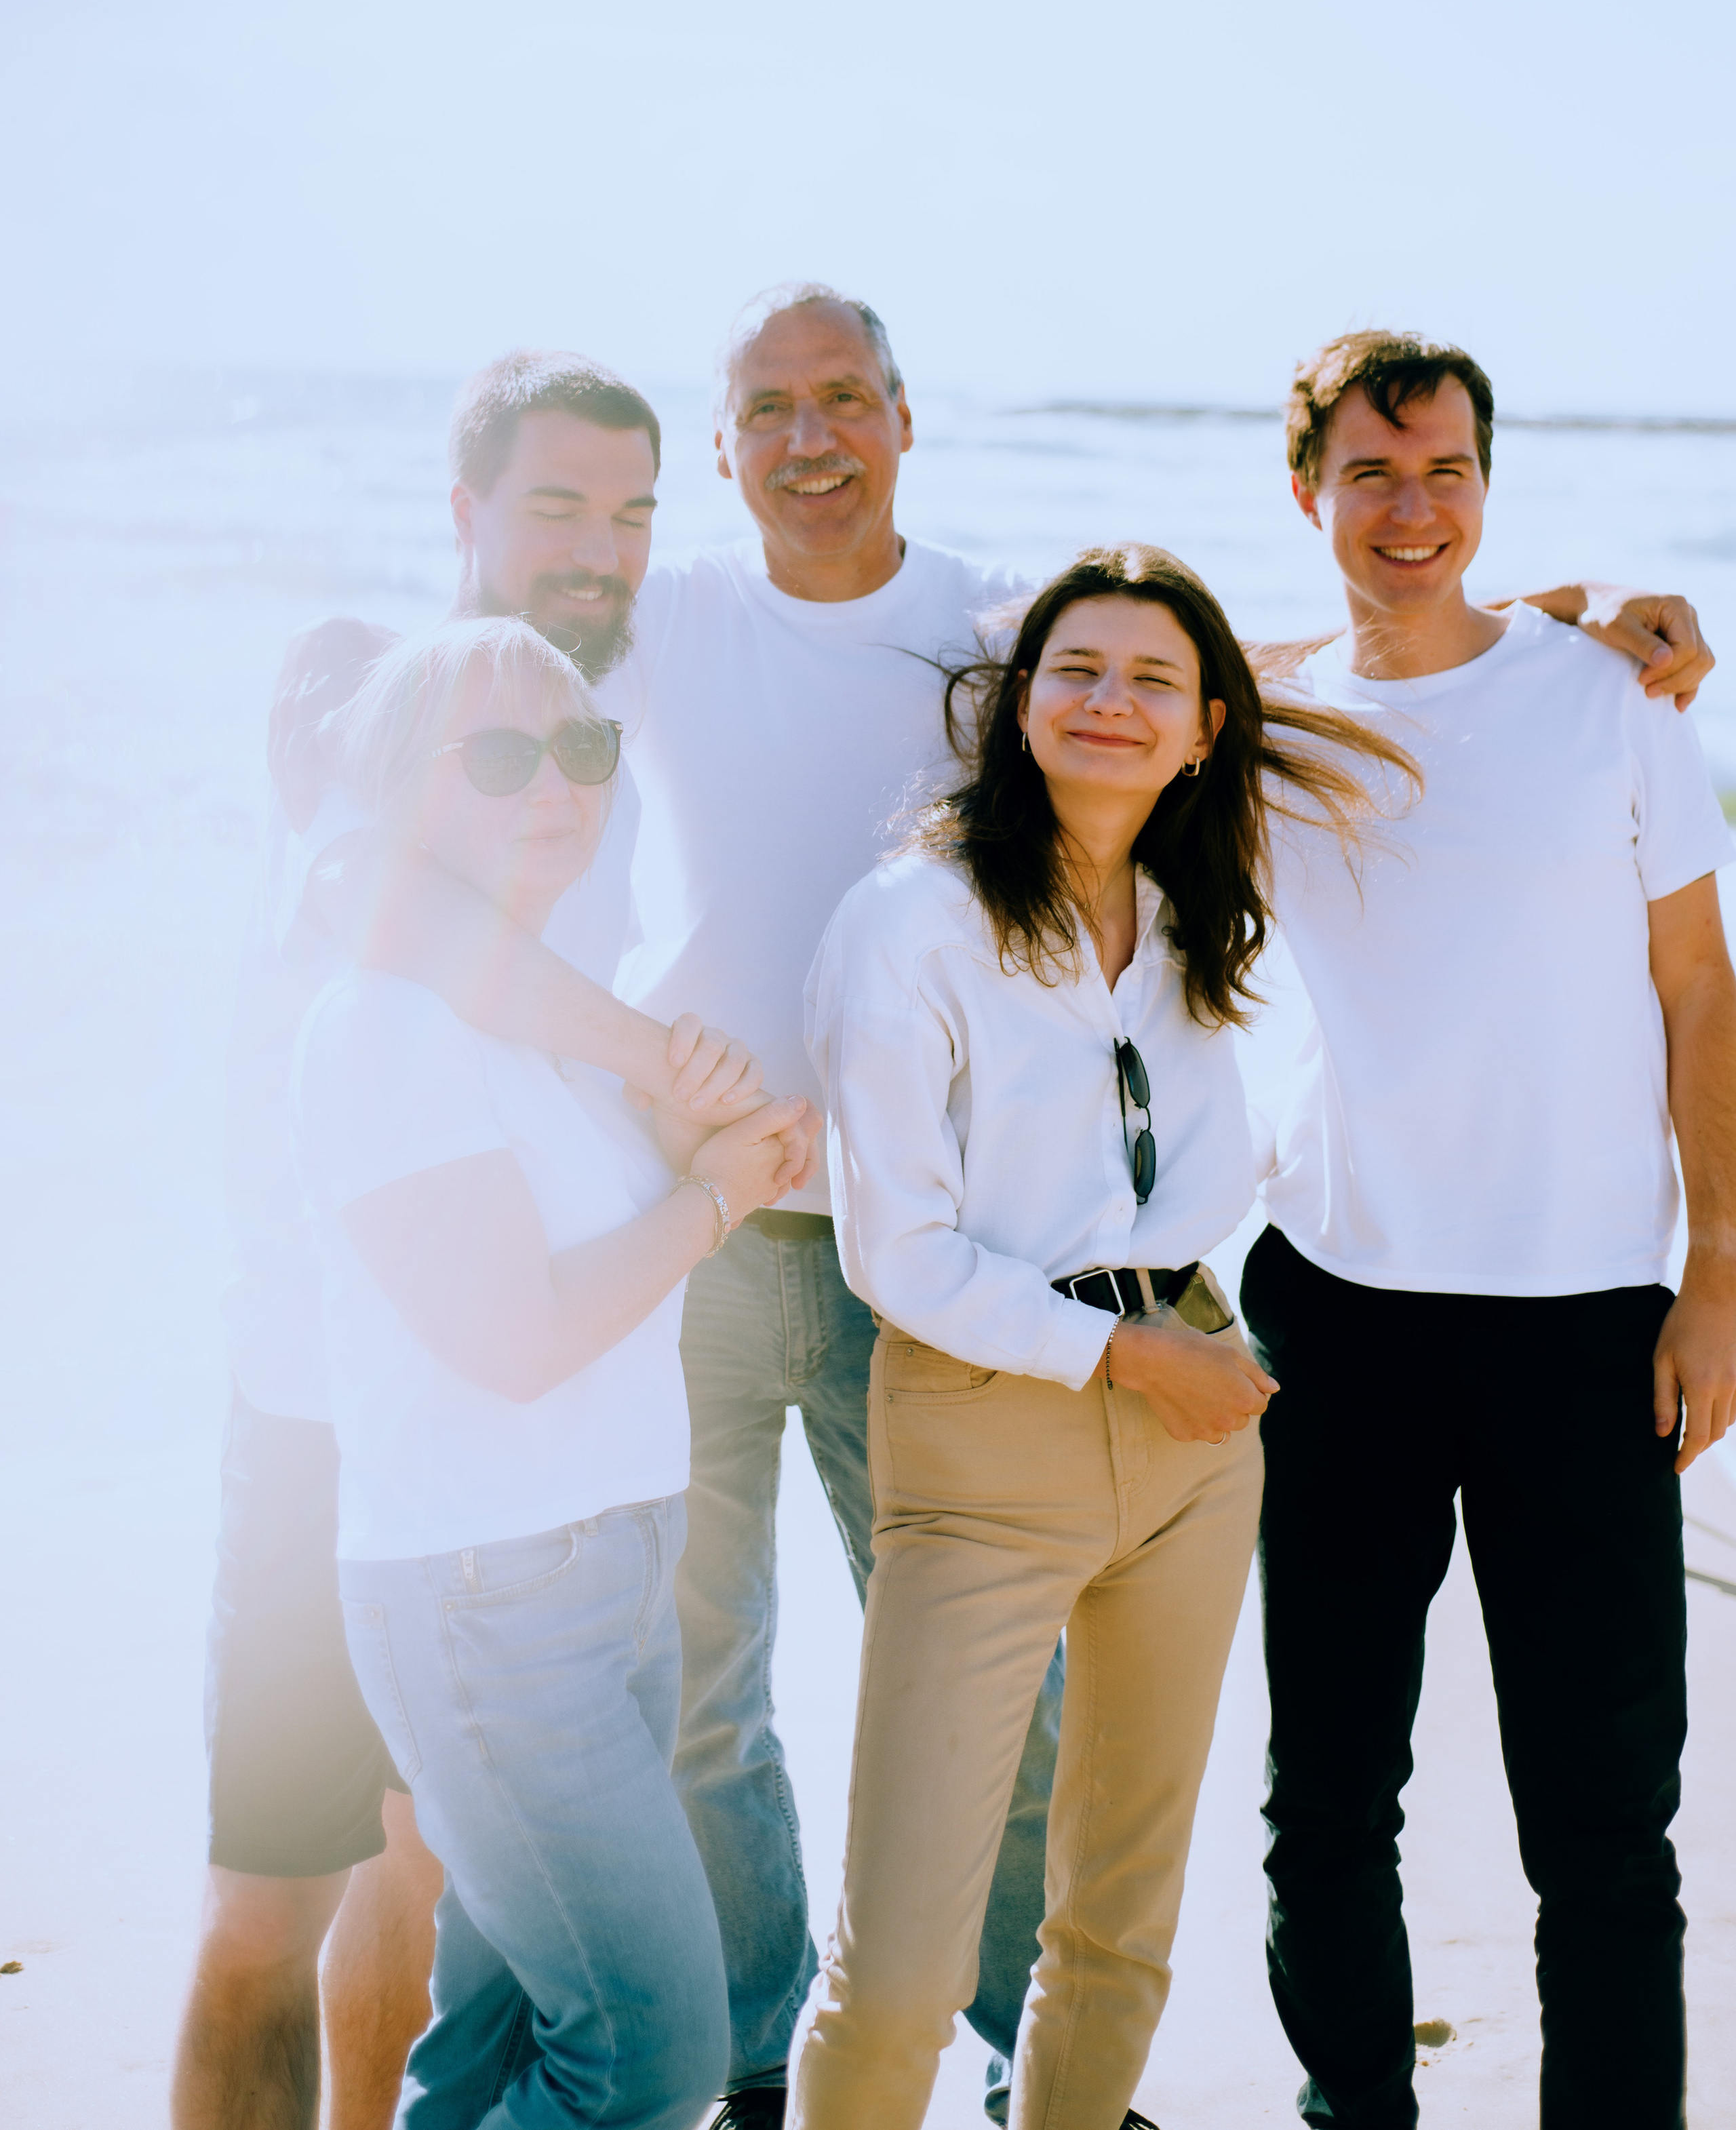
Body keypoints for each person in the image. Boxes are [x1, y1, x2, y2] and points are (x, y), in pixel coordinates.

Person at [334, 288, 1715, 2127]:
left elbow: (1209, 690)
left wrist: (1528, 627)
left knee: (1467, 1808)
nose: (813, 439)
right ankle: (780, 2065)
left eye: (847, 400)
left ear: (906, 419)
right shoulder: (661, 628)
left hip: (1236, 1300)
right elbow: (441, 771)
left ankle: (1033, 2066)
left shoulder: (1008, 636)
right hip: (825, 1251)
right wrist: (658, 1069)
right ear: (726, 445)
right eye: (770, 409)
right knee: (736, 1696)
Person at [176, 354, 768, 2130]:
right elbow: (406, 923)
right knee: (272, 1897)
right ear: (469, 512)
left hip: (506, 1469)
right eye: (558, 505)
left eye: (636, 511)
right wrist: (667, 1071)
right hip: (316, 1408)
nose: (600, 547)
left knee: (445, 1900)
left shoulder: (594, 735)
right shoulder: (357, 686)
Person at [789, 546, 1403, 2129]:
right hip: (989, 1427)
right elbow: (898, 1255)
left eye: (1151, 680)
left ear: (1206, 727)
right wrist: (1136, 1360)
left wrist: (1564, 621)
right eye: (1075, 671)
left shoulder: (1199, 908)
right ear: (1016, 707)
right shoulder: (908, 923)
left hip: (1195, 1435)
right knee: (904, 1963)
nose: (1108, 703)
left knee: (1117, 1931)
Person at [1242, 331, 1736, 2130]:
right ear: (1310, 493)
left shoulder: (1616, 701)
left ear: (1487, 484)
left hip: (1587, 1324)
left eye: (1445, 470)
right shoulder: (1265, 714)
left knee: (1606, 1819)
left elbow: (1700, 988)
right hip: (1337, 1315)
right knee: (1330, 1798)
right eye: (1372, 472)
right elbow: (1076, 675)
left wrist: (1723, 1278)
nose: (1411, 505)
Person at [292, 615, 816, 2129]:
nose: (557, 786)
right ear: (404, 790)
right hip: (488, 1603)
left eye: (582, 748)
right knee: (653, 2055)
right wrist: (712, 1198)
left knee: (497, 2045)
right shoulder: (385, 1025)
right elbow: (516, 1338)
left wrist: (704, 1153)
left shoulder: (530, 1012)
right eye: (502, 754)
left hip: (604, 1574)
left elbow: (618, 1241)